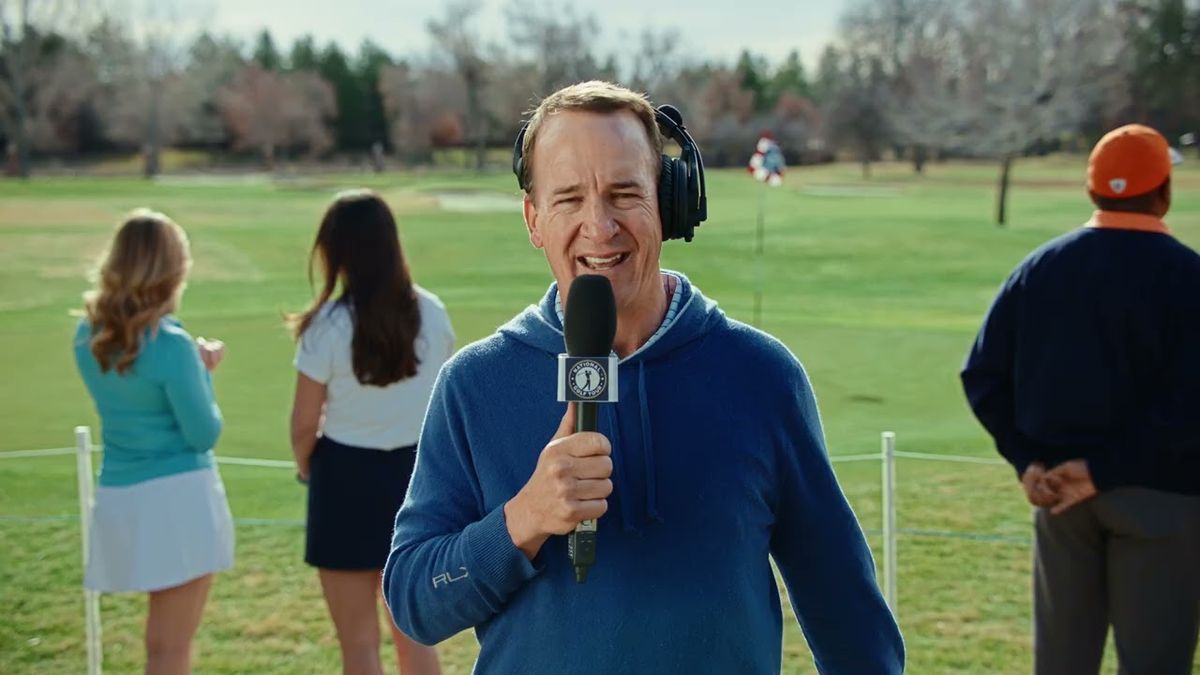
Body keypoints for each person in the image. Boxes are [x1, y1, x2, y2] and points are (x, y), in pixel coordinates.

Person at [383, 81, 903, 674]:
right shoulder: (474, 386)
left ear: (669, 202)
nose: (599, 227)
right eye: (570, 199)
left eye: (624, 193)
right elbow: (414, 602)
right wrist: (523, 519)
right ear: (534, 219)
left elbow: (846, 612)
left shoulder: (762, 378)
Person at [962, 124, 1200, 675]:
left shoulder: (1041, 269)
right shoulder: (1189, 278)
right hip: (1162, 503)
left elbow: (982, 375)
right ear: (1165, 192)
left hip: (1060, 499)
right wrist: (1104, 470)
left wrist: (1028, 461)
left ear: (1093, 190)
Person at [289, 190, 452, 675]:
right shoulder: (434, 313)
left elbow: (302, 426)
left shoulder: (326, 327)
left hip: (342, 480)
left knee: (358, 647)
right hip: (416, 480)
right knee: (417, 640)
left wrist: (310, 471)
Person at [73, 210, 233, 675]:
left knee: (158, 645)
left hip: (123, 494)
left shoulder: (88, 336)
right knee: (171, 649)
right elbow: (204, 432)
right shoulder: (173, 345)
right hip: (178, 500)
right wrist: (203, 373)